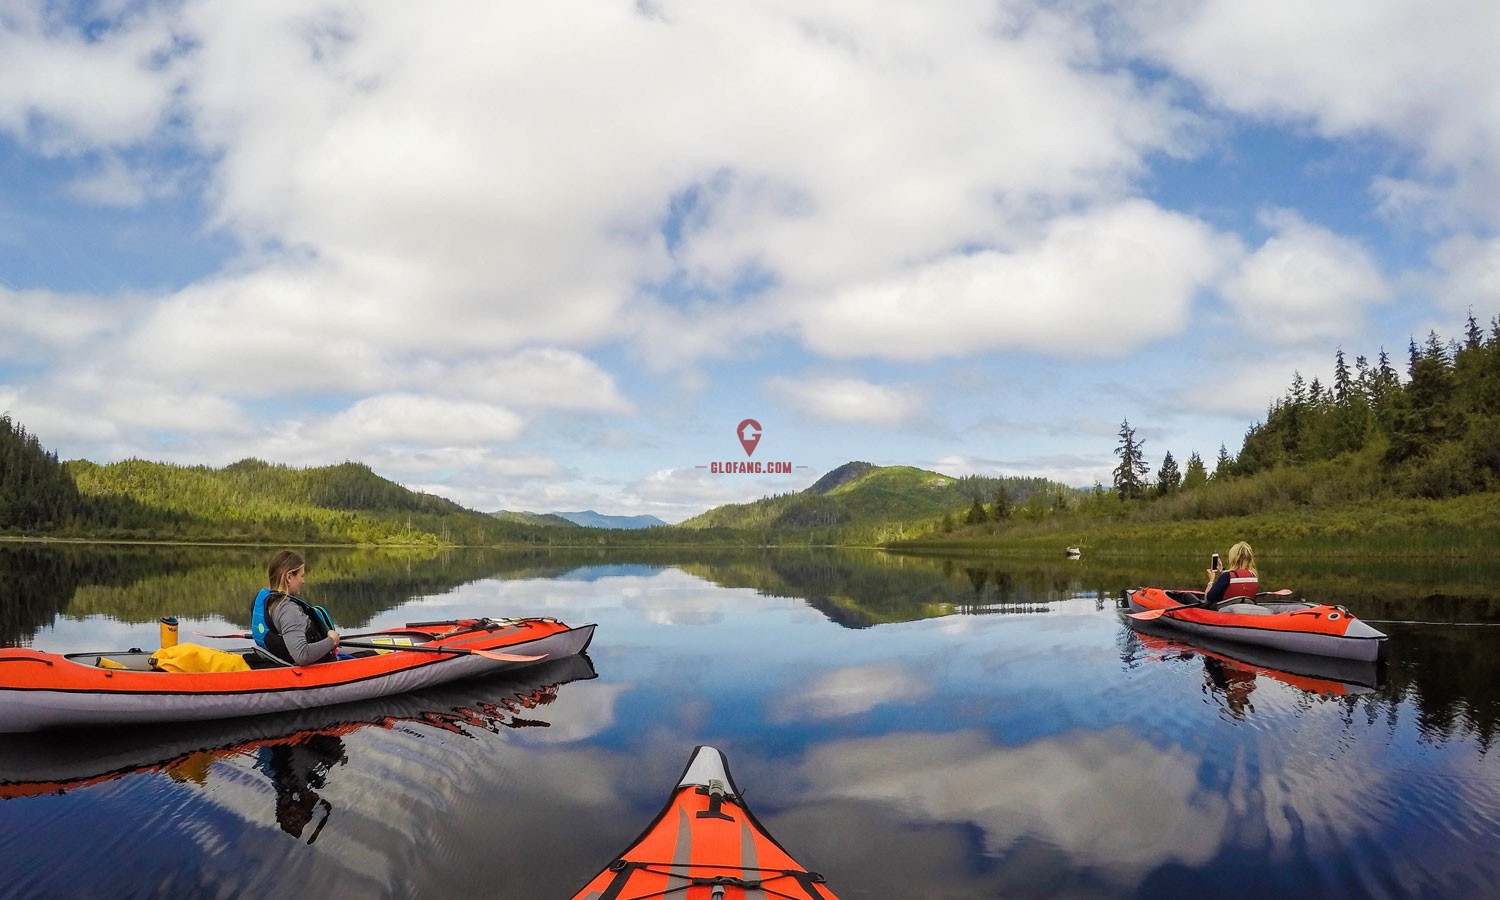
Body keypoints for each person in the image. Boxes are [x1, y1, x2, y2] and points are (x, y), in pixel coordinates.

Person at [251, 550, 341, 666]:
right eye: (301, 576)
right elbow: (302, 656)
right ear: (289, 577)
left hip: (278, 661)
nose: (303, 581)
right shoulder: (289, 610)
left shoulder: (265, 601)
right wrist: (332, 641)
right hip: (308, 669)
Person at [1204, 541, 1259, 609]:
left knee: (1188, 596)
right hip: (1246, 609)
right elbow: (1237, 579)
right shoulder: (1253, 575)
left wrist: (1211, 580)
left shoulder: (1227, 576)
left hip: (1226, 611)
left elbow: (1208, 598)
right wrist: (1222, 571)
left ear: (1233, 559)